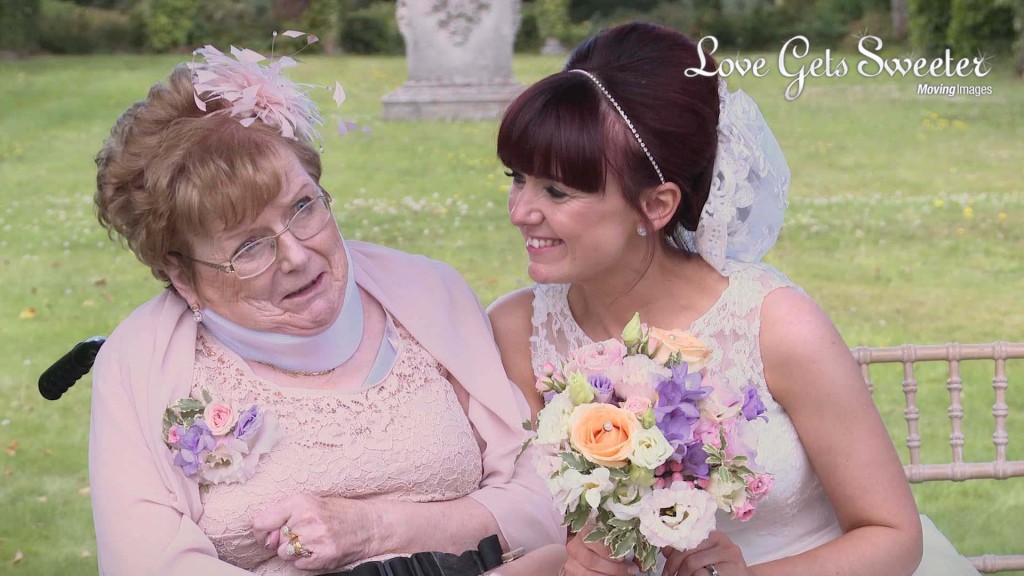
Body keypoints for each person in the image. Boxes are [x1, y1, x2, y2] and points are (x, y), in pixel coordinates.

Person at [488, 22, 982, 576]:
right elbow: (548, 522)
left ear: (656, 205)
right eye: (517, 178)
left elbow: (893, 537)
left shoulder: (776, 324)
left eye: (556, 191)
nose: (520, 211)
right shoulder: (517, 330)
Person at [88, 42, 565, 575]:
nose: (295, 254)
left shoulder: (428, 294)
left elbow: (540, 498)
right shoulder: (140, 363)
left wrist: (375, 528)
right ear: (182, 274)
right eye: (249, 247)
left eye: (302, 207)